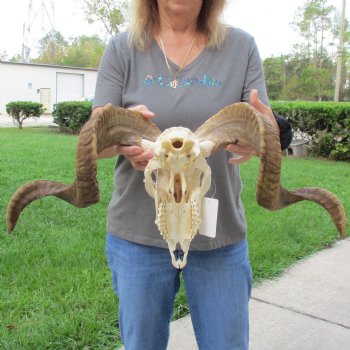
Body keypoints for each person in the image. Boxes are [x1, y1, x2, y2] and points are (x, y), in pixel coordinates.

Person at [92, 1, 292, 349]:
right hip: (138, 235)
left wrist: (265, 134)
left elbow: (261, 124)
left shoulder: (240, 47)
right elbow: (98, 140)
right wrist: (124, 138)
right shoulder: (122, 48)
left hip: (218, 235)